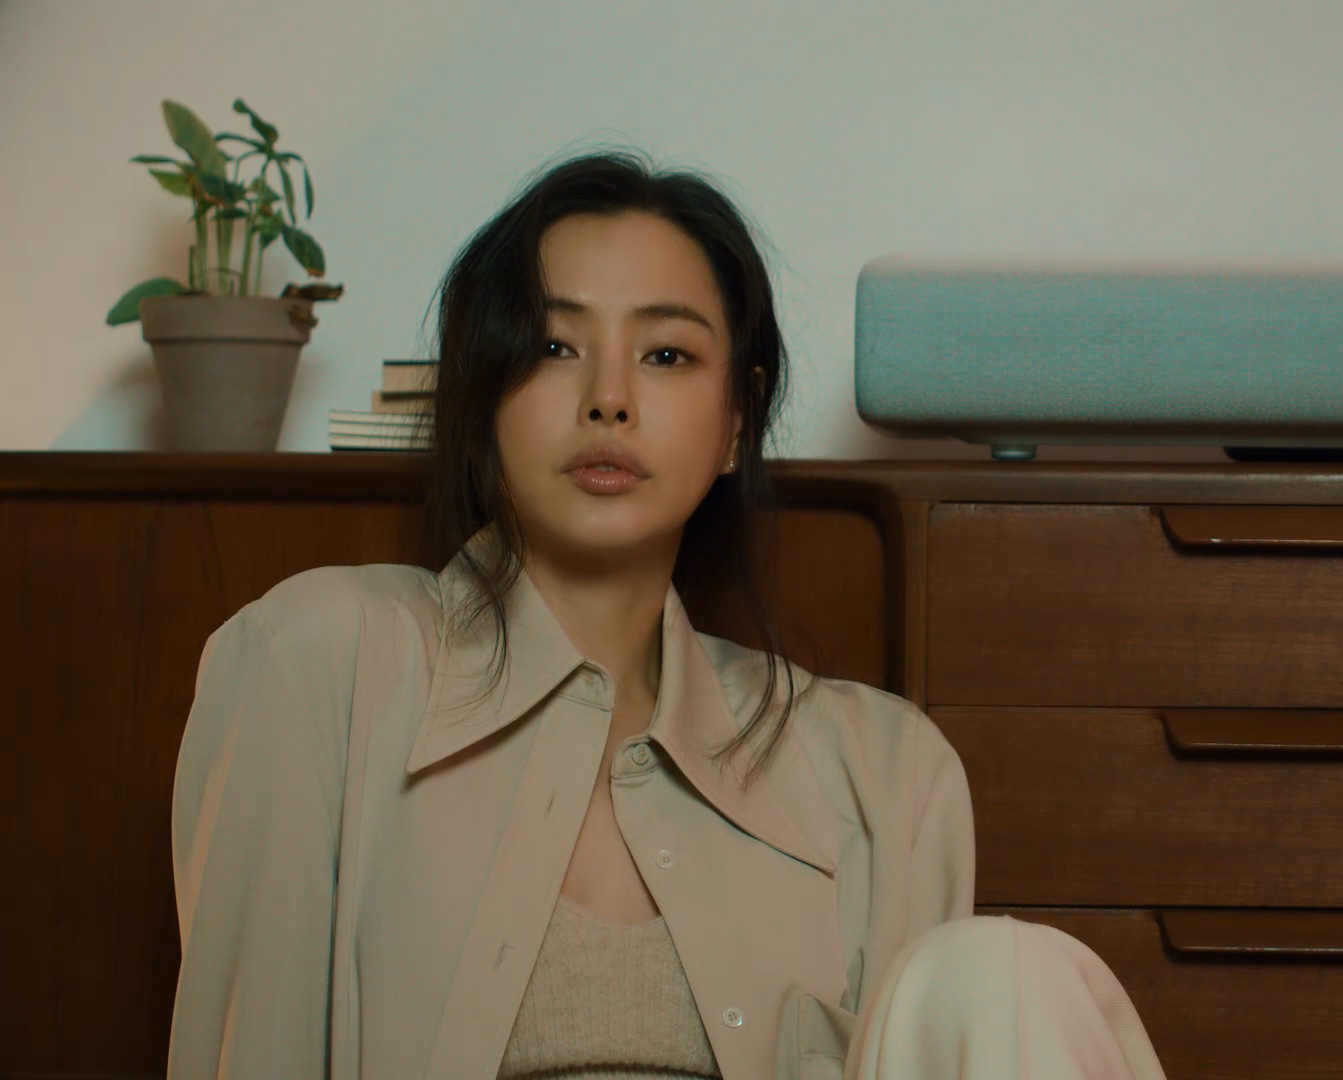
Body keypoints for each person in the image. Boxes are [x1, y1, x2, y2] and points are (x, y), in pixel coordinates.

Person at [166, 151, 1167, 1080]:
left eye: (668, 355)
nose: (609, 398)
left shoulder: (880, 770)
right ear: (483, 401)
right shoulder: (320, 664)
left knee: (1005, 972)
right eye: (553, 344)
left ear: (738, 419)